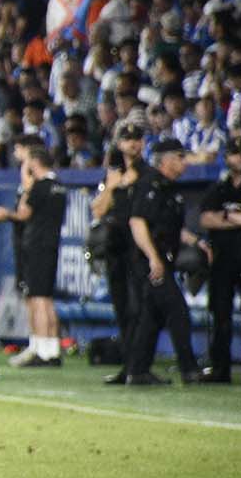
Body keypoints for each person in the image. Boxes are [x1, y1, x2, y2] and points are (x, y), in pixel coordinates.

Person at [118, 138, 205, 385]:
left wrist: (195, 242)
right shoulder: (150, 183)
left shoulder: (170, 188)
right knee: (177, 310)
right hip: (150, 261)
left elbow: (170, 228)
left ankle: (137, 371)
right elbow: (137, 222)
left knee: (152, 317)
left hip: (163, 259)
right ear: (165, 159)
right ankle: (188, 368)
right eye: (179, 156)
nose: (184, 162)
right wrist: (153, 258)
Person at [0, 145, 68, 368]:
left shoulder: (40, 186)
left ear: (34, 163)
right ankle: (51, 349)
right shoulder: (59, 186)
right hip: (51, 245)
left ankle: (41, 350)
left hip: (37, 246)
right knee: (47, 298)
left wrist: (8, 212)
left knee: (37, 299)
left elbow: (24, 213)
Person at [90, 122, 149, 375]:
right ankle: (129, 365)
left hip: (140, 247)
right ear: (120, 143)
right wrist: (114, 185)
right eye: (127, 139)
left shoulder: (148, 173)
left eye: (137, 138)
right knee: (122, 307)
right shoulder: (112, 174)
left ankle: (139, 364)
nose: (133, 143)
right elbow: (98, 209)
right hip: (116, 246)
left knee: (140, 308)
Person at [197, 137, 241, 383]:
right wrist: (230, 216)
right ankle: (220, 368)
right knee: (220, 314)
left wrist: (222, 216)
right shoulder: (221, 187)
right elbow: (205, 219)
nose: (237, 158)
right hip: (223, 261)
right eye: (234, 153)